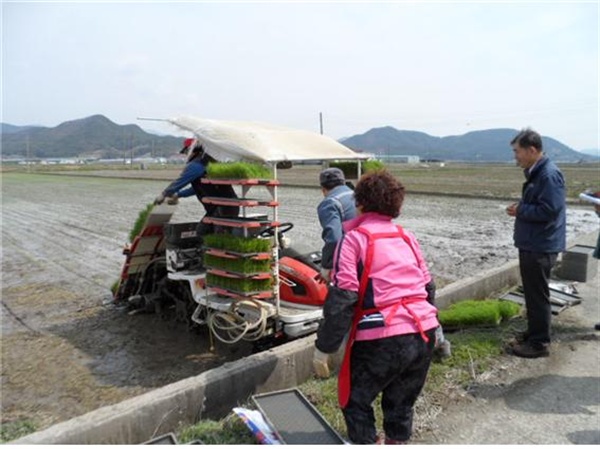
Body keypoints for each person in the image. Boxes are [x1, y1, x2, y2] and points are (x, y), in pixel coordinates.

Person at [313, 169, 439, 444]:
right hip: (423, 333)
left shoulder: (355, 239)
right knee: (400, 403)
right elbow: (428, 288)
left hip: (383, 338)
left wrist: (324, 347)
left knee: (356, 401)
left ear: (360, 203)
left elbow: (343, 297)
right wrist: (437, 333)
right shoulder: (406, 237)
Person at [506, 128, 566, 358]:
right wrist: (522, 209)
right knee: (532, 293)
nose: (515, 156)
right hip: (534, 242)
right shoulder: (537, 173)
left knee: (537, 295)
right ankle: (534, 332)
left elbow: (550, 210)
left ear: (532, 150)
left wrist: (521, 209)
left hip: (540, 245)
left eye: (517, 151)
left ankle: (539, 343)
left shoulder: (548, 175)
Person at [154, 138, 239, 238]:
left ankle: (211, 252)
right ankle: (206, 251)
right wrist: (179, 195)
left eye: (187, 152)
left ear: (193, 150)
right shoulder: (209, 162)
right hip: (225, 207)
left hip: (222, 207)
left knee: (215, 236)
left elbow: (181, 181)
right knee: (203, 231)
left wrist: (165, 194)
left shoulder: (197, 164)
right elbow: (199, 188)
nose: (186, 155)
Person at [317, 167, 357, 280]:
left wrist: (326, 266)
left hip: (350, 260)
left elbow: (334, 238)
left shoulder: (330, 203)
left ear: (323, 189)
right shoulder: (359, 196)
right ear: (343, 182)